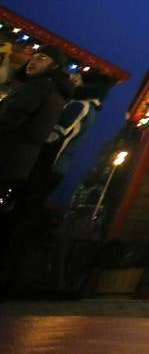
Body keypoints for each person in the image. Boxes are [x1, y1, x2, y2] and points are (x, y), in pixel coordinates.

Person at [0, 49, 75, 292]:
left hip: (8, 154)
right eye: (35, 56)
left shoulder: (38, 87)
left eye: (42, 58)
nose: (34, 60)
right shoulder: (57, 92)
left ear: (54, 66)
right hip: (21, 163)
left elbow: (11, 118)